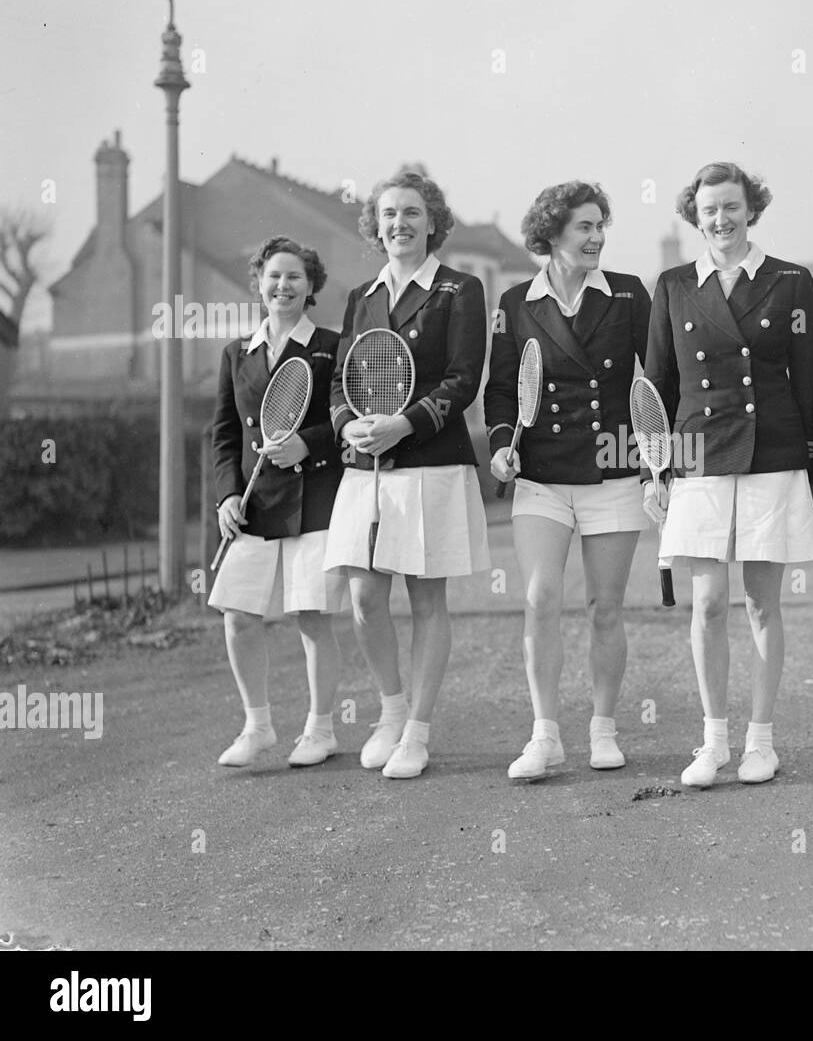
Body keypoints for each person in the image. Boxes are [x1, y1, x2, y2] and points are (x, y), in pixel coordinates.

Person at [643, 161, 813, 788]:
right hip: (698, 459)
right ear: (696, 214)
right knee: (710, 603)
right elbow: (657, 386)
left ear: (753, 209)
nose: (721, 219)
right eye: (710, 208)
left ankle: (761, 743)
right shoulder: (671, 286)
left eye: (732, 206)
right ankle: (714, 741)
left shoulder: (791, 282)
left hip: (773, 456)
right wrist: (653, 471)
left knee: (762, 604)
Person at [324, 171, 491, 780]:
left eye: (413, 213)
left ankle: (417, 732)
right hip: (364, 469)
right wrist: (346, 428)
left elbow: (463, 377)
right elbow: (342, 378)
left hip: (429, 464)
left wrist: (405, 425)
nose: (400, 223)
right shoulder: (360, 297)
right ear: (377, 225)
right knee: (365, 597)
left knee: (426, 600)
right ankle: (390, 712)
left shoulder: (459, 290)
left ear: (432, 221)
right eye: (389, 214)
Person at [486, 181, 652, 780]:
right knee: (539, 598)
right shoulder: (515, 303)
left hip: (612, 467)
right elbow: (501, 389)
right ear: (551, 234)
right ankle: (545, 735)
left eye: (600, 225)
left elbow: (656, 376)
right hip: (543, 474)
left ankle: (603, 730)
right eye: (583, 227)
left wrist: (659, 455)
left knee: (604, 607)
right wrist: (504, 445)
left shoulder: (630, 295)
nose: (596, 237)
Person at [210, 235, 346, 768]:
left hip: (314, 498)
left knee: (311, 616)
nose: (283, 285)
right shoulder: (234, 354)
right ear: (259, 284)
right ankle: (258, 725)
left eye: (294, 276)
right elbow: (223, 435)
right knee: (238, 615)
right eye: (274, 276)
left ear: (310, 286)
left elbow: (345, 421)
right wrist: (225, 496)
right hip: (253, 505)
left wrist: (306, 443)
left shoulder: (333, 346)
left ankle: (321, 728)